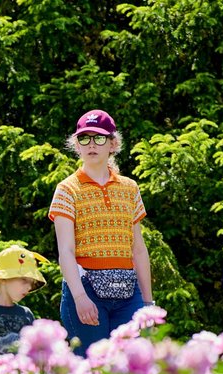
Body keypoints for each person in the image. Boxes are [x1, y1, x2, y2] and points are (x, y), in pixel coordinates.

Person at [49, 110, 154, 356]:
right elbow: (65, 251)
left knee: (131, 368)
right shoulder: (67, 189)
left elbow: (138, 248)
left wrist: (148, 303)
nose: (91, 144)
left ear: (113, 143)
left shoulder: (130, 188)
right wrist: (79, 296)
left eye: (99, 137)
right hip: (85, 291)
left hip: (129, 293)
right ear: (76, 144)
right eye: (84, 138)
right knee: (91, 369)